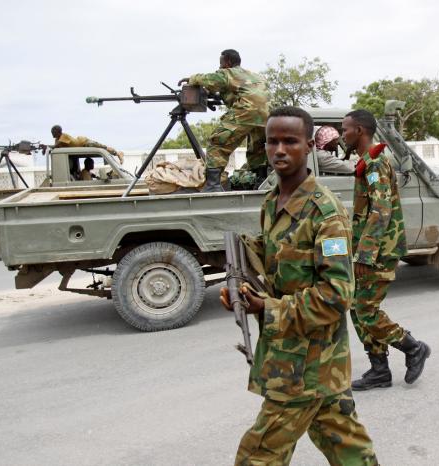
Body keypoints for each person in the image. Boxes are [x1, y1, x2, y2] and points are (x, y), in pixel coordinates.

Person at [219, 106, 378, 465]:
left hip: (306, 365)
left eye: (289, 141)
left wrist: (268, 309)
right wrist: (241, 289)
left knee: (257, 457)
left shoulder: (325, 212)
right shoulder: (272, 202)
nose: (279, 150)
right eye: (272, 141)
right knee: (347, 446)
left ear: (308, 147)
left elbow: (338, 295)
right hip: (302, 360)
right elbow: (274, 264)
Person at [341, 109, 431, 391]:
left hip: (379, 251)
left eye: (346, 129)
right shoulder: (367, 162)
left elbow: (380, 212)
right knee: (358, 310)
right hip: (367, 249)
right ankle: (379, 369)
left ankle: (413, 347)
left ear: (360, 131)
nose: (343, 134)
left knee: (365, 310)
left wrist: (365, 254)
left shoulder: (376, 164)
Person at [179, 49, 269, 192]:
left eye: (221, 63)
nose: (220, 67)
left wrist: (192, 79)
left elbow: (210, 79)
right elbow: (235, 91)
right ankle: (262, 181)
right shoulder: (255, 76)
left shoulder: (228, 72)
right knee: (257, 148)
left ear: (227, 62)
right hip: (267, 115)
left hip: (247, 111)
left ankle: (213, 186)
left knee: (217, 142)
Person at [48, 125, 124, 164]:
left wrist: (46, 146)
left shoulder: (63, 136)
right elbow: (55, 149)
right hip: (82, 145)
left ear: (58, 131)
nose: (52, 133)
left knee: (103, 148)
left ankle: (118, 153)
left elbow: (55, 146)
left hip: (84, 142)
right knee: (103, 148)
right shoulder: (57, 140)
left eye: (53, 131)